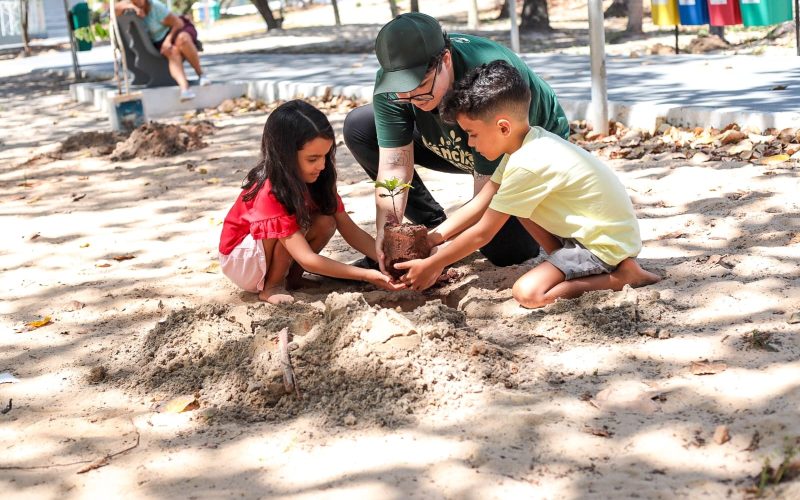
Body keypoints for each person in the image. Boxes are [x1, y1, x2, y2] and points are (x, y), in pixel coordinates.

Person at [395, 61, 660, 308]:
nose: (471, 144)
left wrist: (434, 263)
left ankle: (623, 276)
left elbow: (482, 233)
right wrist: (432, 239)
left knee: (528, 293)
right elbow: (480, 203)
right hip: (590, 235)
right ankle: (564, 260)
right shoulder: (526, 144)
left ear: (503, 127)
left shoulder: (527, 162)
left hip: (602, 244)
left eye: (472, 134)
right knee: (516, 207)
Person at [343, 12, 569, 272]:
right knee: (359, 127)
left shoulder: (488, 79)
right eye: (401, 91)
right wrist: (387, 229)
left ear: (446, 60)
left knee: (505, 247)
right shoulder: (396, 87)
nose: (411, 97)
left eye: (421, 86)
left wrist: (439, 253)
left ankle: (440, 234)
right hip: (459, 146)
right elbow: (394, 165)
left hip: (517, 153)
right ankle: (430, 223)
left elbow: (485, 196)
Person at [218, 100, 404, 304]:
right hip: (243, 260)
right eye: (312, 159)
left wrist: (388, 261)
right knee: (299, 222)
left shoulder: (321, 178)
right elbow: (307, 258)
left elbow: (350, 230)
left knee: (326, 220)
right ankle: (272, 286)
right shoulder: (270, 190)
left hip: (274, 249)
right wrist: (366, 274)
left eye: (326, 155)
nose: (322, 165)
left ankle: (293, 279)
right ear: (285, 155)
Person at [115, 0, 209, 100]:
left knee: (182, 40)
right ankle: (185, 89)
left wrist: (168, 41)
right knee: (172, 52)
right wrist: (134, 7)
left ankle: (201, 74)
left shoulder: (155, 6)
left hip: (176, 30)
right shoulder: (133, 8)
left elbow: (178, 23)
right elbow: (115, 9)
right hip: (160, 40)